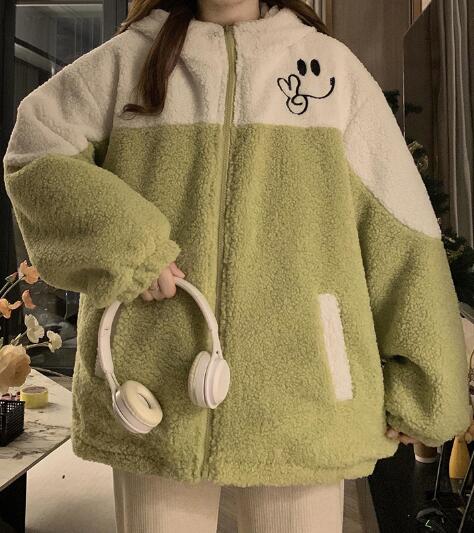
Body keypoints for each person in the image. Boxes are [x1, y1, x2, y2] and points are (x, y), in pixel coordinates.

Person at [3, 0, 472, 531]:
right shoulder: (130, 61)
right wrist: (130, 248)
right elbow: (35, 152)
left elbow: (401, 228)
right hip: (154, 390)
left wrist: (426, 379)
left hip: (303, 397)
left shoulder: (331, 72)